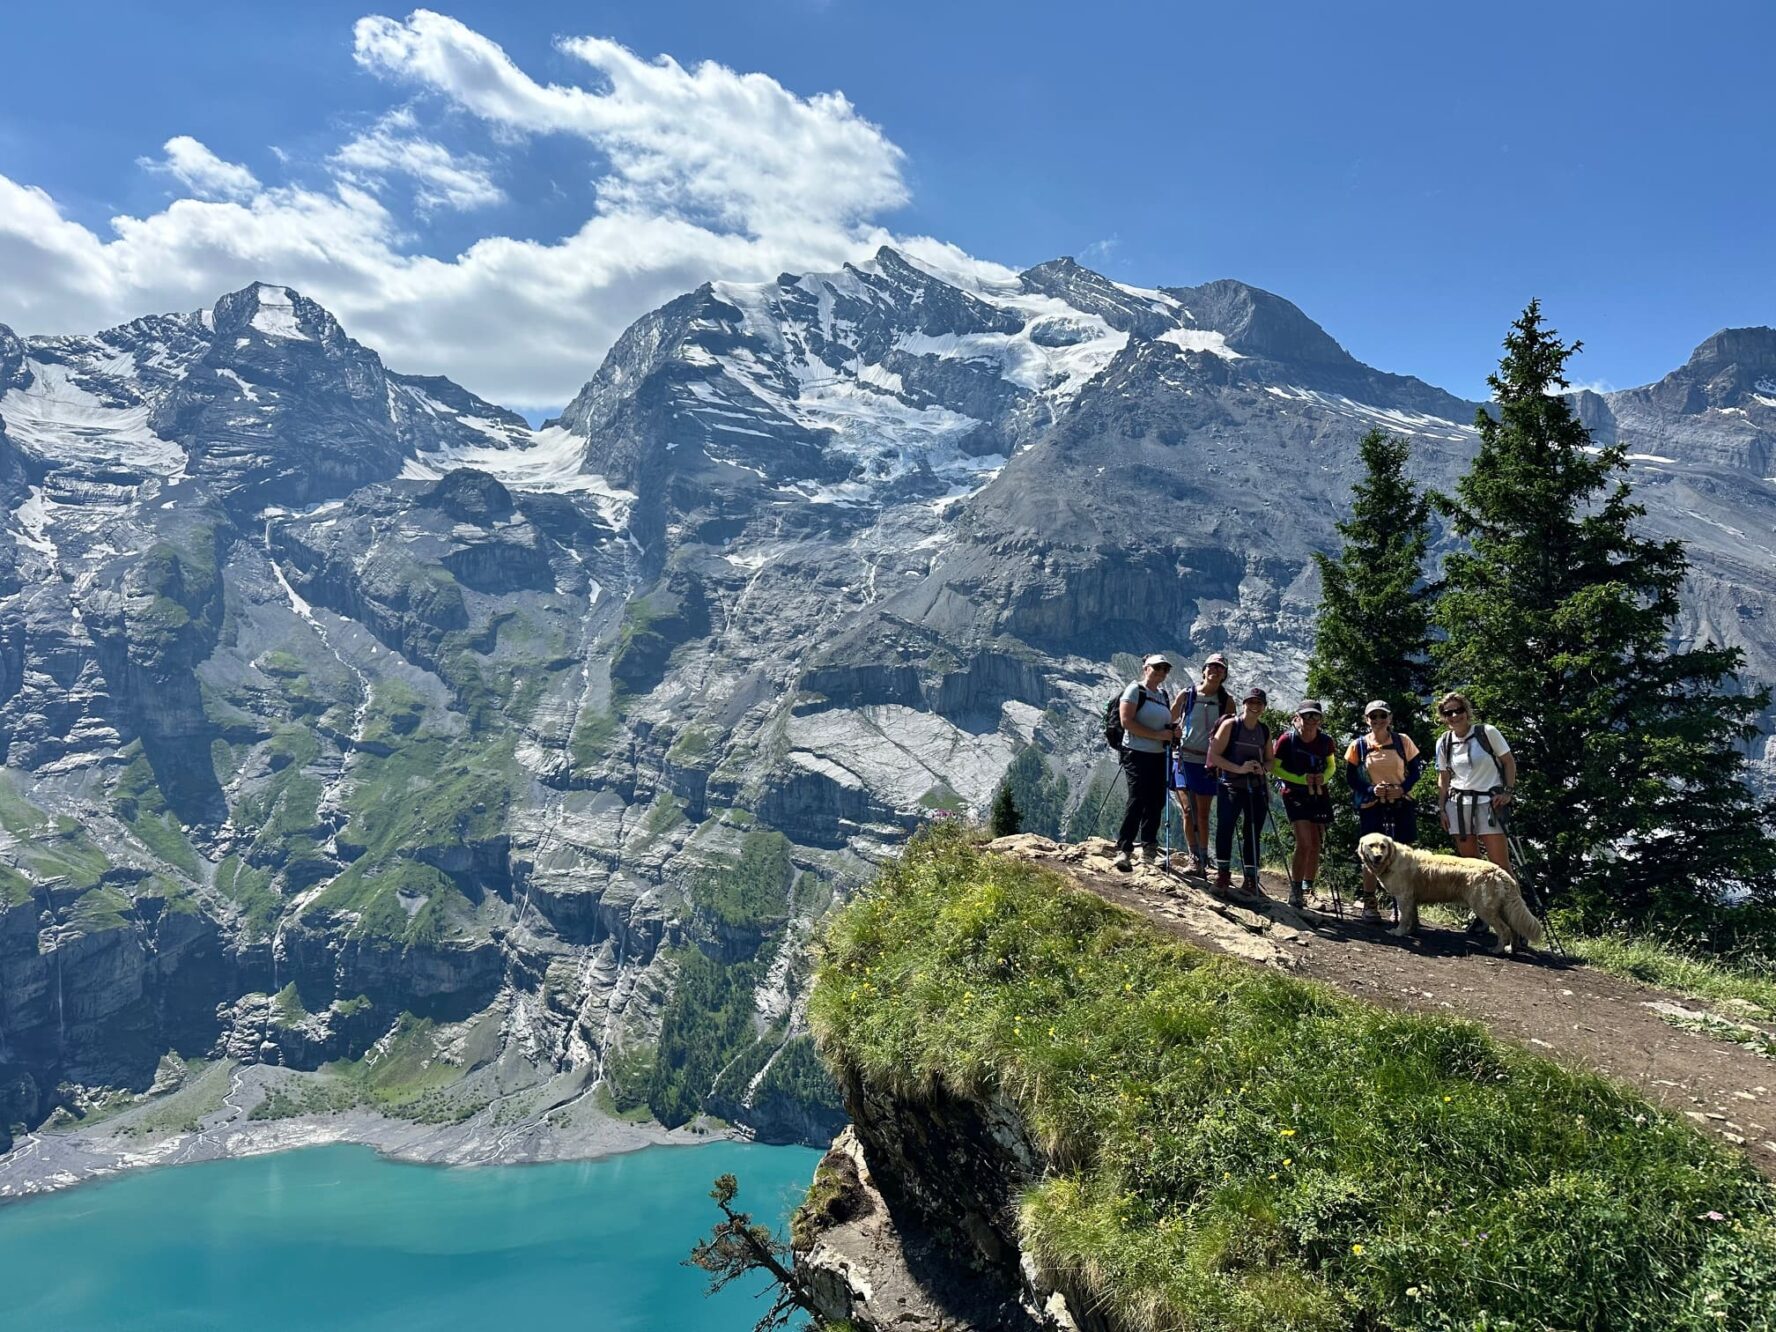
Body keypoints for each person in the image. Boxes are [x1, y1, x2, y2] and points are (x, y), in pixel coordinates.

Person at [1344, 700, 1423, 920]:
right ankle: (1370, 901)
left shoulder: (1403, 741)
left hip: (1401, 803)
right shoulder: (1358, 745)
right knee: (1371, 855)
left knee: (1403, 854)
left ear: (1389, 718)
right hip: (1372, 805)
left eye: (1382, 716)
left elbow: (1416, 771)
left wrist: (1402, 789)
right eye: (1373, 717)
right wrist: (1371, 789)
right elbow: (1350, 777)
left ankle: (1403, 903)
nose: (1378, 720)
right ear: (1366, 719)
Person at [1435, 691, 1517, 872]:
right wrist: (1441, 809)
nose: (1454, 716)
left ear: (1467, 711)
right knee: (1472, 867)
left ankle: (1514, 901)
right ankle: (1482, 901)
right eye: (1449, 713)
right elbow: (1444, 776)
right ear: (1443, 717)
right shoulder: (1444, 742)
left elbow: (1508, 761)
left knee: (1500, 866)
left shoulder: (1487, 732)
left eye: (1458, 710)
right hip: (1458, 805)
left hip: (1489, 803)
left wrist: (1508, 792)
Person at [1168, 653, 1234, 876]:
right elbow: (1170, 718)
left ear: (1224, 674)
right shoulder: (1187, 695)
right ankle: (1194, 857)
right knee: (1188, 810)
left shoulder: (1226, 701)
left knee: (1203, 814)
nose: (1215, 671)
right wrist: (1172, 730)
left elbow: (1230, 733)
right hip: (1183, 759)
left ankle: (1203, 857)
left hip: (1208, 763)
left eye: (1220, 669)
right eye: (1211, 667)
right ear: (1203, 670)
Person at [1113, 654, 1180, 871]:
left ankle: (1149, 848)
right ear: (1146, 668)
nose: (1161, 671)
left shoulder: (1162, 694)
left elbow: (1164, 724)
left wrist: (1172, 731)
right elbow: (1127, 722)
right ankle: (1124, 849)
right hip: (1136, 753)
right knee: (1137, 799)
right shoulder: (1135, 690)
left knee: (1156, 801)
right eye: (1157, 667)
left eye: (1165, 669)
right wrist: (1158, 736)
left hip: (1159, 755)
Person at [1207, 687, 1273, 901]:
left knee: (1252, 832)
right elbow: (1214, 755)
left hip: (1256, 787)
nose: (1255, 706)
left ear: (1263, 707)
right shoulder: (1230, 725)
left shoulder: (1264, 730)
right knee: (1225, 828)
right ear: (1244, 704)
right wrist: (1240, 769)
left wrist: (1261, 768)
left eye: (1259, 703)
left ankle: (1250, 879)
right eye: (1251, 702)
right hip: (1230, 786)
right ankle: (1223, 875)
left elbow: (1271, 760)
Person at [1274, 699, 1337, 909]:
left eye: (1315, 716)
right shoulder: (1286, 740)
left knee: (1316, 844)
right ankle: (1296, 890)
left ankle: (1308, 889)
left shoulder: (1326, 741)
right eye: (1306, 716)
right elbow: (1274, 767)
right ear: (1297, 718)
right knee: (1304, 842)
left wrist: (1323, 778)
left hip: (1318, 793)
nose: (1311, 720)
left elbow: (1331, 766)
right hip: (1294, 794)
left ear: (1320, 719)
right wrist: (1301, 779)